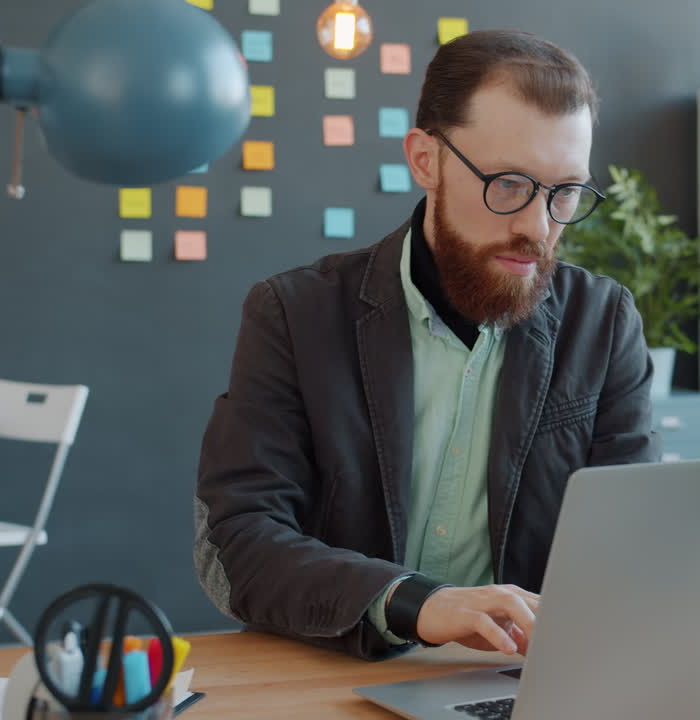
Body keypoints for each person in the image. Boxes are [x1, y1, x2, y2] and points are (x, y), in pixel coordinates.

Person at [194, 29, 660, 661]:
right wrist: (412, 602)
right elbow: (238, 541)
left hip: (521, 682)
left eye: (566, 191)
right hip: (335, 674)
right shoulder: (293, 314)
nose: (537, 227)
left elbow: (634, 540)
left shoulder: (603, 323)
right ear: (425, 159)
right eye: (509, 183)